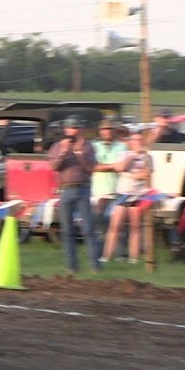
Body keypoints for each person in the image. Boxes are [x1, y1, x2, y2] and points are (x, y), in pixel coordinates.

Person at [48, 117, 101, 274]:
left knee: (88, 229)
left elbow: (90, 167)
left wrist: (78, 154)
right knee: (67, 230)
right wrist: (64, 152)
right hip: (65, 190)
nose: (74, 131)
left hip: (82, 189)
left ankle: (95, 266)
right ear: (66, 130)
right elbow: (54, 167)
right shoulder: (58, 146)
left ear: (81, 130)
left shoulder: (88, 146)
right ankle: (72, 266)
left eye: (76, 128)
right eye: (71, 128)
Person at [102, 131, 154, 264]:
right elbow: (119, 168)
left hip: (138, 194)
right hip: (123, 193)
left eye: (140, 140)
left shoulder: (147, 157)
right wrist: (131, 159)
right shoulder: (124, 154)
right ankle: (107, 256)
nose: (138, 142)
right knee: (115, 225)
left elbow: (146, 174)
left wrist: (132, 175)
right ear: (130, 142)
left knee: (135, 227)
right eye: (135, 140)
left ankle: (134, 257)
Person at [90, 119, 128, 197]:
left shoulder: (122, 146)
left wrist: (102, 166)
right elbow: (93, 167)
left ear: (115, 131)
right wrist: (113, 166)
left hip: (117, 190)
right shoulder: (93, 146)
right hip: (98, 191)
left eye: (110, 128)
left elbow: (122, 167)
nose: (107, 131)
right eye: (104, 129)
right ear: (100, 131)